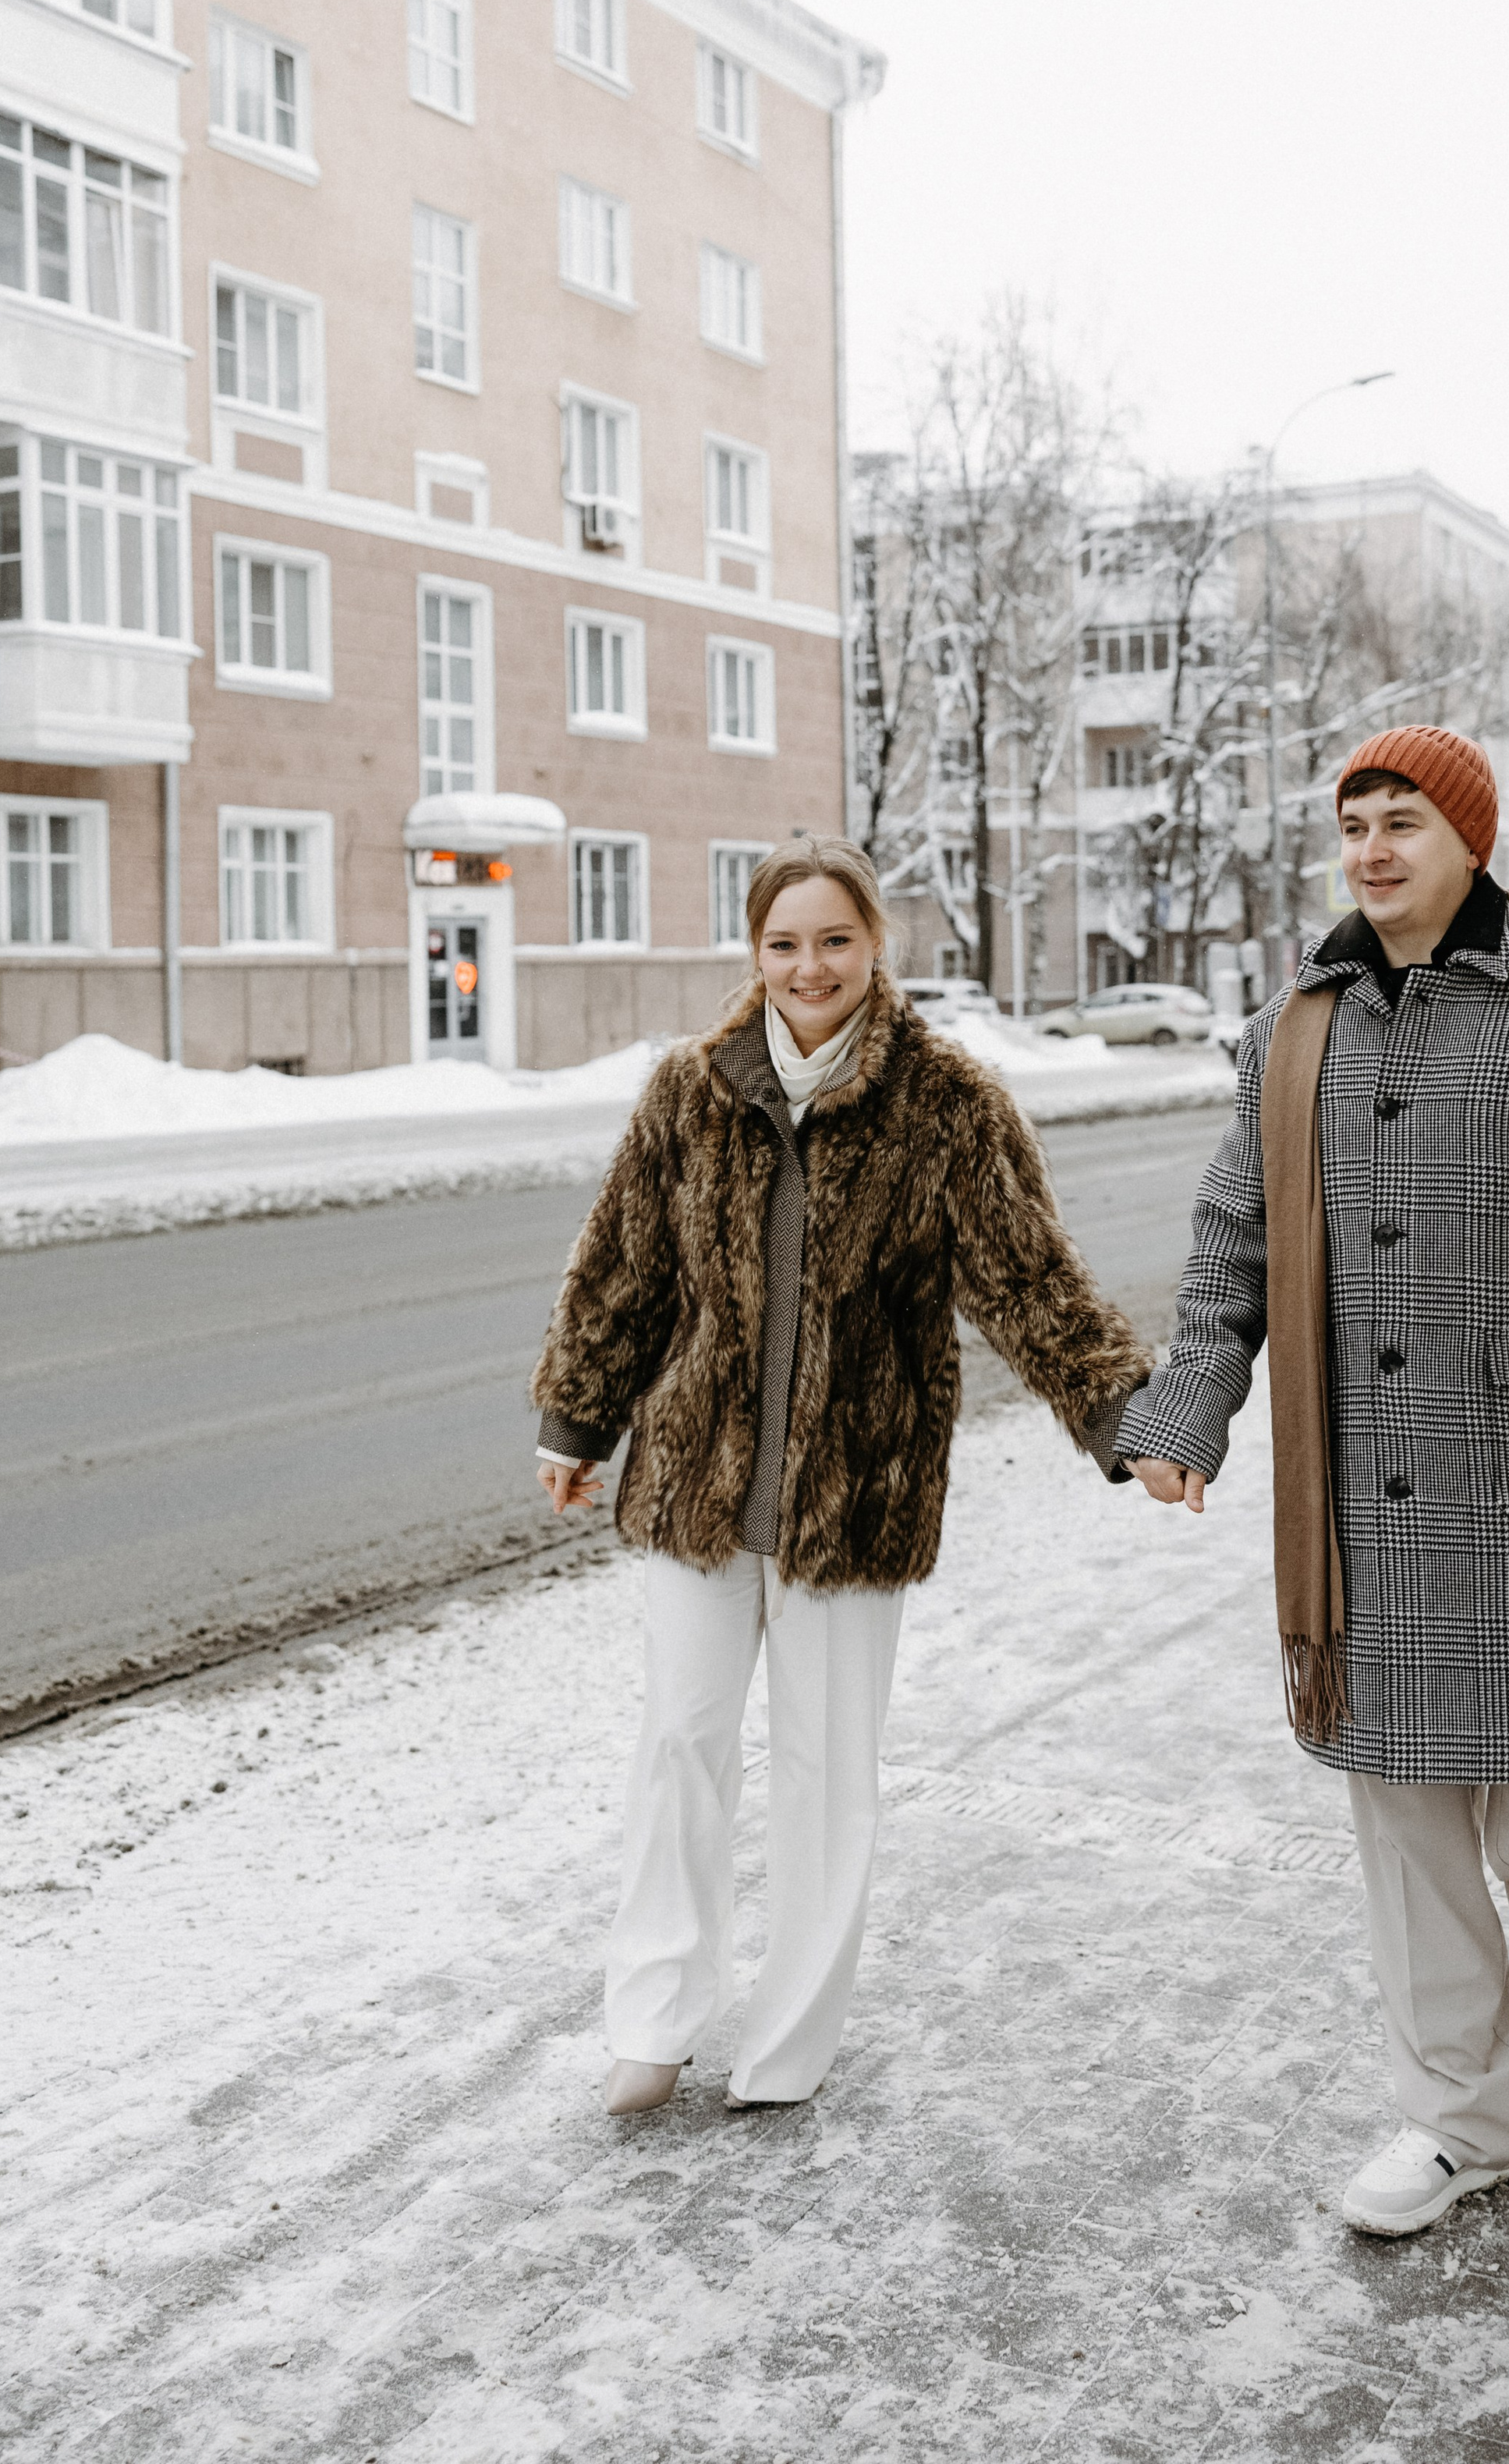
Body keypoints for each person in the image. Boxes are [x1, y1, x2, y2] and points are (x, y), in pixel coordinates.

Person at [1115, 725, 1509, 2235]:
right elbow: (1227, 1258)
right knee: (1408, 1841)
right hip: (1365, 1501)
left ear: (1469, 841)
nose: (1373, 849)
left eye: (1403, 822)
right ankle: (1458, 2124)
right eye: (1355, 826)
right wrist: (1184, 1415)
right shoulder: (1285, 1032)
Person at [530, 835, 1146, 2118]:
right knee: (682, 1748)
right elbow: (624, 1271)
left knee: (825, 1768)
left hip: (855, 1492)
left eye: (834, 941)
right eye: (782, 943)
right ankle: (653, 2021)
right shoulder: (689, 1092)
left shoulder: (948, 1103)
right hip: (697, 1483)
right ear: (752, 955)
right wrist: (578, 1423)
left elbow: (1026, 1280)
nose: (808, 967)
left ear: (876, 945)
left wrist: (1112, 1412)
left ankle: (788, 2044)